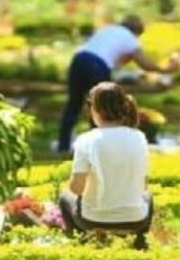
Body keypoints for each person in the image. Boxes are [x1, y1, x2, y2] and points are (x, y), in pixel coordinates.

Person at [57, 15, 178, 152]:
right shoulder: (130, 38)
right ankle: (98, 149)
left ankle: (63, 146)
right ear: (137, 32)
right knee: (102, 108)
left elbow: (116, 58)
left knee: (73, 105)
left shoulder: (108, 30)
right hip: (97, 65)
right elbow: (144, 63)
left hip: (78, 60)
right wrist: (165, 69)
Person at [58, 82, 153, 249]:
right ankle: (140, 244)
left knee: (64, 197)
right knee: (149, 197)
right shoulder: (139, 137)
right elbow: (143, 185)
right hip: (135, 220)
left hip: (92, 219)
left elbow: (76, 189)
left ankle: (82, 243)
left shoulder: (86, 140)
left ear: (93, 109)